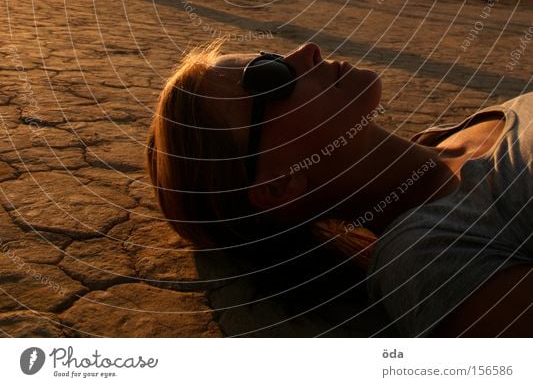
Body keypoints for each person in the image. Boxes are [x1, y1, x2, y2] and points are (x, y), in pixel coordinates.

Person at [146, 40, 533, 337]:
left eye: (273, 55)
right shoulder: (426, 252)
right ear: (280, 184)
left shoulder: (462, 131)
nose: (306, 51)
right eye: (270, 77)